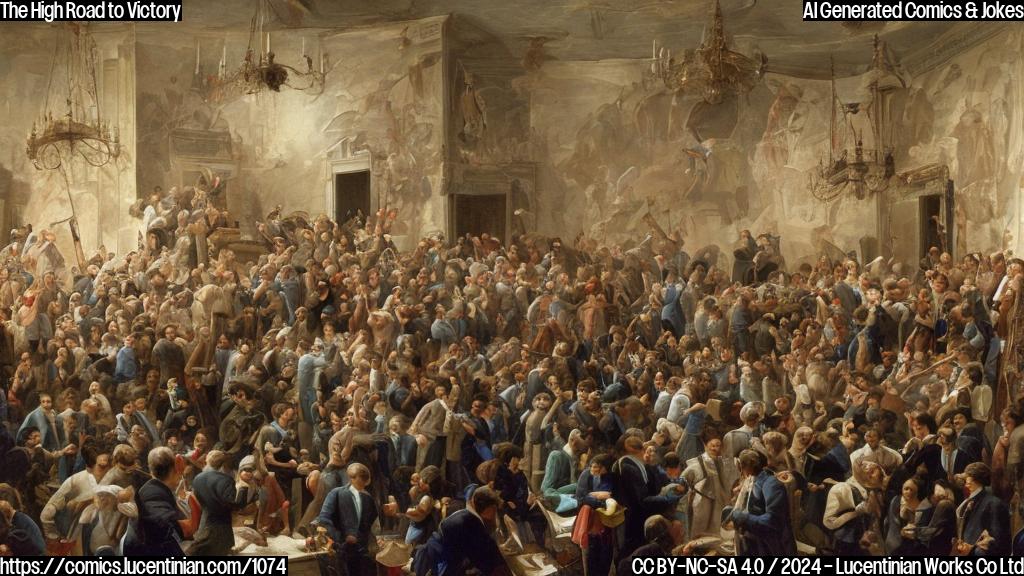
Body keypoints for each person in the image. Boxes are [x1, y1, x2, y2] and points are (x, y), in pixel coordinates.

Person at [413, 486, 509, 576]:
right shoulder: (470, 522)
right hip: (443, 565)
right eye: (494, 510)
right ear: (489, 508)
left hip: (441, 559)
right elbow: (484, 556)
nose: (494, 515)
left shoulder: (466, 515)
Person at [728, 449, 796, 556]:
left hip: (770, 545)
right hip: (755, 540)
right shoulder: (752, 480)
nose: (740, 471)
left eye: (741, 466)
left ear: (748, 466)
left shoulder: (771, 484)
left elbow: (772, 521)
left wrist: (744, 518)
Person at [316, 463, 379, 576]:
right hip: (340, 549)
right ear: (352, 478)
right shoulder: (336, 493)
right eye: (360, 478)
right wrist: (341, 537)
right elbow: (324, 520)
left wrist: (367, 539)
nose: (363, 484)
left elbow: (370, 525)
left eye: (365, 479)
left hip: (361, 552)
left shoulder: (368, 499)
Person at [122, 447, 185, 556]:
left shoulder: (152, 489)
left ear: (151, 470)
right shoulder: (154, 496)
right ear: (172, 470)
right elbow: (174, 528)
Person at [189, 450, 240, 556]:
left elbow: (196, 498)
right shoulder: (227, 480)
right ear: (222, 464)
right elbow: (230, 504)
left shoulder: (198, 478)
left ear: (207, 461)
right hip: (221, 526)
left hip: (204, 522)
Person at [954, 462, 1011, 556]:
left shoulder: (994, 504)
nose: (965, 482)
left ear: (974, 480)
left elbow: (997, 540)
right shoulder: (969, 501)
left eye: (968, 478)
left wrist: (972, 548)